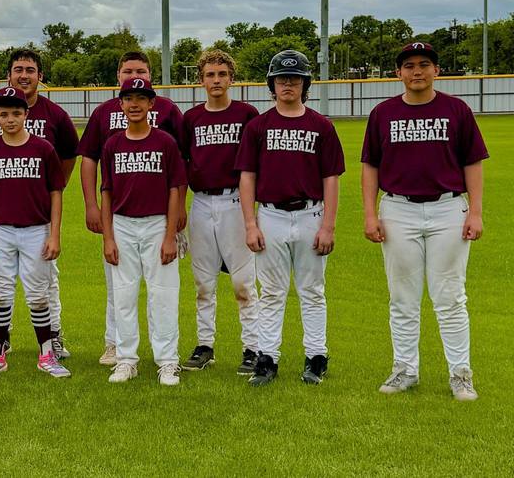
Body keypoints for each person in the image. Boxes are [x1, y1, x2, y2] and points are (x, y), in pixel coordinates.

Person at [361, 41, 487, 401]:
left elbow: (472, 163)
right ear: (399, 73)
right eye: (410, 65)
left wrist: (475, 211)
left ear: (436, 70)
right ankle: (405, 370)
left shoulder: (456, 110)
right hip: (398, 209)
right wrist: (371, 213)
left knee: (450, 298)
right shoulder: (383, 113)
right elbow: (370, 165)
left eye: (424, 64)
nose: (417, 71)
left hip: (448, 208)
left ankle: (460, 374)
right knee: (402, 298)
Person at [237, 50, 345, 387]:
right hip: (270, 215)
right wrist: (251, 223)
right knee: (271, 291)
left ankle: (316, 357)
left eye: (294, 78)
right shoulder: (258, 126)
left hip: (311, 213)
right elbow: (247, 177)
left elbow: (331, 178)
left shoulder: (321, 126)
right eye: (282, 79)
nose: (288, 84)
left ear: (304, 84)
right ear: (272, 84)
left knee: (312, 290)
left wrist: (328, 225)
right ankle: (267, 359)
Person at [78, 50, 184, 365]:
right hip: (121, 217)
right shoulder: (103, 116)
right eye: (127, 71)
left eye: (140, 71)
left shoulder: (167, 114)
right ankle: (118, 348)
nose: (132, 76)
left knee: (162, 291)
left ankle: (166, 357)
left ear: (150, 83)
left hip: (158, 215)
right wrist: (92, 206)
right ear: (118, 79)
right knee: (119, 290)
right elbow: (91, 161)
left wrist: (178, 213)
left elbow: (180, 167)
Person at [0, 48, 78, 359]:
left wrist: (50, 189)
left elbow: (69, 157)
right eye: (18, 69)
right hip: (3, 217)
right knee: (0, 284)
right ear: (9, 75)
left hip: (38, 216)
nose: (23, 75)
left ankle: (53, 338)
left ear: (40, 76)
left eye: (30, 70)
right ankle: (0, 340)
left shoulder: (55, 115)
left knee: (45, 282)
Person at [179, 50, 260, 375]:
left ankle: (252, 347)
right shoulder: (191, 119)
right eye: (210, 75)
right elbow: (184, 165)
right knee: (203, 282)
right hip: (201, 203)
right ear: (200, 80)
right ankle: (205, 345)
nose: (216, 80)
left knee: (243, 282)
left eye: (222, 74)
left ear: (231, 79)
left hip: (234, 204)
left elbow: (255, 166)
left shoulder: (246, 114)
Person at [100, 77, 185, 386]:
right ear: (120, 105)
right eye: (128, 98)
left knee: (163, 295)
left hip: (157, 223)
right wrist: (108, 237)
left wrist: (169, 234)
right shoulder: (113, 144)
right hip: (122, 224)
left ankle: (167, 361)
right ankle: (126, 360)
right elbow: (106, 193)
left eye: (141, 98)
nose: (134, 104)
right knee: (123, 296)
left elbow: (176, 189)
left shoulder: (165, 142)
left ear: (152, 104)